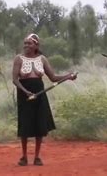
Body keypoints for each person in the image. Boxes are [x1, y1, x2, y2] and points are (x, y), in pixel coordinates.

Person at [12, 33, 76, 166]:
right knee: (25, 124)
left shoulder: (42, 59)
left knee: (39, 124)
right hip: (25, 95)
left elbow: (53, 77)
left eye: (29, 43)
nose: (26, 46)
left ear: (36, 45)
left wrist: (68, 76)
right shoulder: (18, 59)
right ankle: (24, 156)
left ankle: (37, 157)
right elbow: (15, 80)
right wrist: (25, 92)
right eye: (25, 43)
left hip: (40, 94)